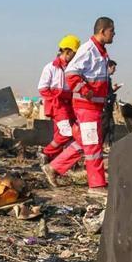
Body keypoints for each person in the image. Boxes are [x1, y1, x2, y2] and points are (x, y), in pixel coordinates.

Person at [46, 17, 115, 197]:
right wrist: (85, 91)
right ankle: (96, 185)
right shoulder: (89, 49)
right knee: (93, 145)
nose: (114, 34)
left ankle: (53, 167)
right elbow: (71, 72)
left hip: (93, 107)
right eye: (112, 31)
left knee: (85, 142)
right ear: (102, 31)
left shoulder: (99, 51)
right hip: (87, 107)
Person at [38, 34, 80, 165]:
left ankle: (52, 159)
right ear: (67, 52)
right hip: (57, 104)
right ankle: (46, 152)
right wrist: (55, 101)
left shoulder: (72, 68)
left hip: (69, 104)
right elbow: (42, 88)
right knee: (67, 132)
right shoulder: (50, 67)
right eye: (74, 53)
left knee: (61, 133)